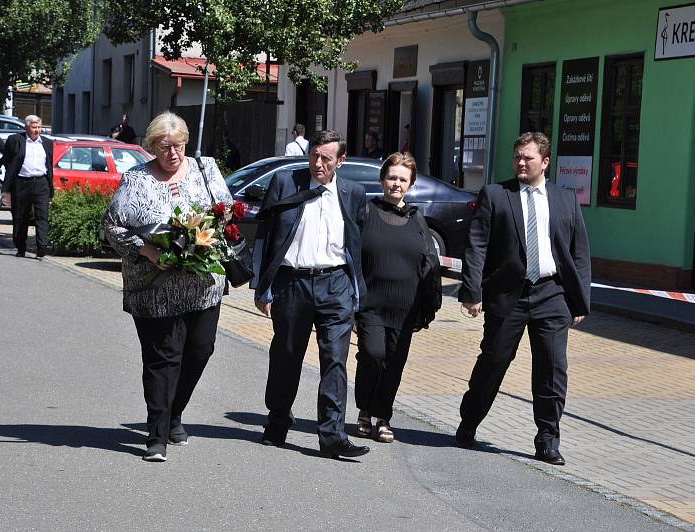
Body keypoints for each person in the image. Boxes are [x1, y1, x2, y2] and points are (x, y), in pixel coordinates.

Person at [103, 111, 232, 462]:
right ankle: (156, 435)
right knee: (163, 359)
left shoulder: (205, 169)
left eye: (176, 145)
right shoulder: (136, 180)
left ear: (186, 142)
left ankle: (175, 412)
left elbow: (226, 210)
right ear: (152, 147)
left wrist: (205, 234)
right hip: (155, 288)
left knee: (200, 351)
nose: (171, 153)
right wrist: (148, 250)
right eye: (163, 147)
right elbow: (113, 227)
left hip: (203, 283)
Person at [456, 132, 591, 466]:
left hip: (552, 294)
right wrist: (472, 291)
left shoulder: (565, 199)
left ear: (545, 162)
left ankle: (547, 439)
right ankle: (469, 421)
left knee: (552, 368)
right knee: (494, 360)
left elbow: (580, 252)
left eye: (527, 158)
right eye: (517, 156)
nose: (520, 162)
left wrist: (579, 301)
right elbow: (477, 246)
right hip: (508, 295)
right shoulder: (496, 194)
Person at [252, 129, 369, 459]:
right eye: (314, 155)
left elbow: (357, 241)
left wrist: (356, 290)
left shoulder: (353, 192)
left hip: (335, 285)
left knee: (335, 361)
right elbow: (267, 234)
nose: (318, 163)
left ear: (340, 161)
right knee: (286, 355)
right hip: (293, 283)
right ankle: (277, 421)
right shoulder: (287, 184)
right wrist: (262, 287)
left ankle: (332, 434)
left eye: (326, 158)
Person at [354, 152, 441, 443]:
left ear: (411, 184)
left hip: (405, 307)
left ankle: (382, 417)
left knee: (394, 363)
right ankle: (364, 408)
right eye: (392, 177)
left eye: (403, 179)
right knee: (373, 354)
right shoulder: (366, 212)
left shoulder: (417, 219)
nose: (396, 183)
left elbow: (428, 260)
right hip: (371, 304)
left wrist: (430, 302)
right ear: (382, 179)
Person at [2, 115, 54, 258]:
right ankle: (20, 247)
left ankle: (42, 246)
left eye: (39, 127)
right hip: (21, 183)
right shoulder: (16, 140)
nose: (37, 130)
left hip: (41, 183)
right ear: (26, 128)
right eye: (34, 127)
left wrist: (50, 186)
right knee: (21, 216)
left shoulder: (47, 143)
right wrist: (8, 185)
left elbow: (49, 165)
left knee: (42, 216)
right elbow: (6, 160)